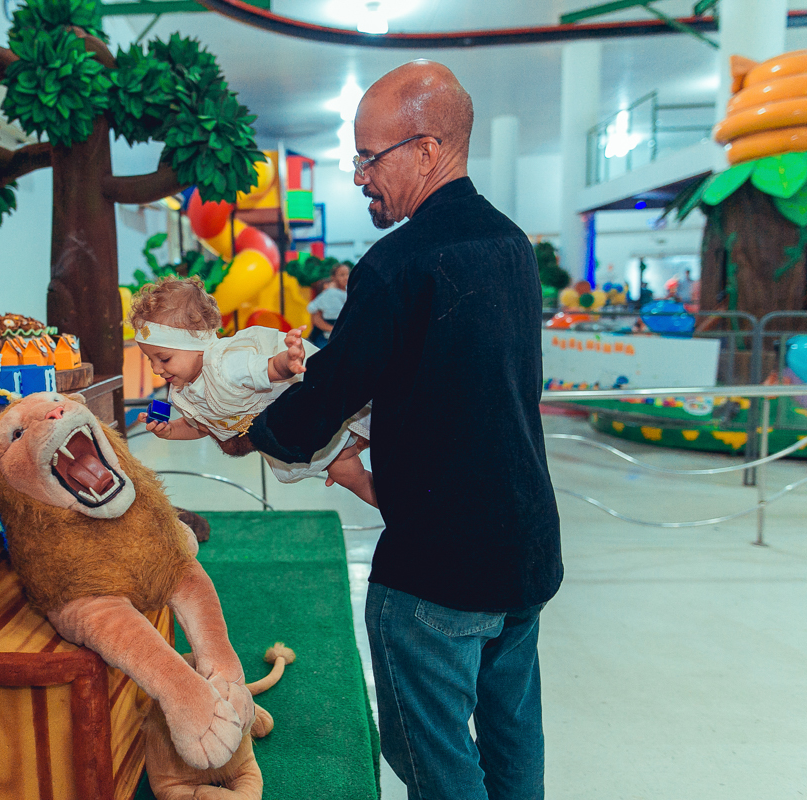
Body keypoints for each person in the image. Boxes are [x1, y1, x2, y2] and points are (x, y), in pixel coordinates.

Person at [246, 60, 563, 799]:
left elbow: (326, 396)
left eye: (367, 156)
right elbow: (479, 390)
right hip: (523, 555)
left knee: (436, 764)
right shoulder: (512, 246)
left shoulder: (399, 264)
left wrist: (248, 429)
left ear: (426, 148)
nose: (358, 176)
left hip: (438, 575)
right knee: (516, 748)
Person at [129, 277, 375, 506]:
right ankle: (397, 509)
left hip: (310, 415)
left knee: (370, 451)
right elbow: (202, 426)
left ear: (196, 344)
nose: (156, 369)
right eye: (150, 359)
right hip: (293, 438)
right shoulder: (184, 393)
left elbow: (266, 368)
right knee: (348, 475)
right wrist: (171, 430)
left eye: (164, 358)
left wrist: (286, 363)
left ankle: (401, 507)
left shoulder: (224, 363)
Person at [308, 263, 351, 348]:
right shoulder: (329, 293)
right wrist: (333, 329)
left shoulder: (349, 292)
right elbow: (315, 314)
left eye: (347, 274)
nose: (346, 277)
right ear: (333, 277)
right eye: (342, 275)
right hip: (328, 334)